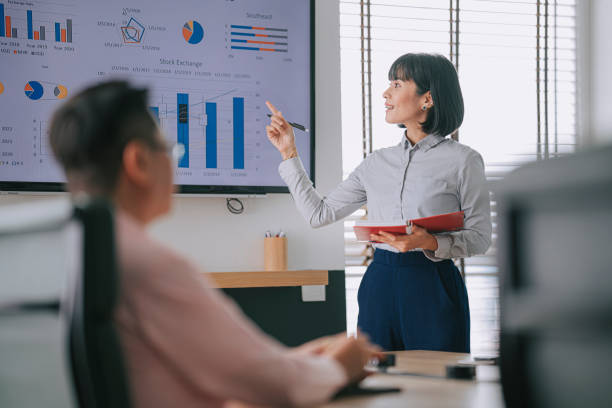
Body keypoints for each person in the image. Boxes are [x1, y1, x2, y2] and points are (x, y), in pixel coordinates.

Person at [48, 81, 381, 408]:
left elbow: (230, 368)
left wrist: (292, 361)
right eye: (168, 149)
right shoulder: (150, 265)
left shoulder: (70, 251)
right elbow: (272, 385)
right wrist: (341, 363)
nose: (173, 163)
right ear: (139, 161)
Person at [266, 53, 492, 353]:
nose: (386, 93)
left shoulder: (464, 161)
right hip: (379, 283)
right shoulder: (376, 162)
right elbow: (318, 214)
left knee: (437, 389)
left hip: (433, 285)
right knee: (378, 385)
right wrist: (289, 154)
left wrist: (431, 242)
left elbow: (480, 238)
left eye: (397, 84)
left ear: (427, 99)